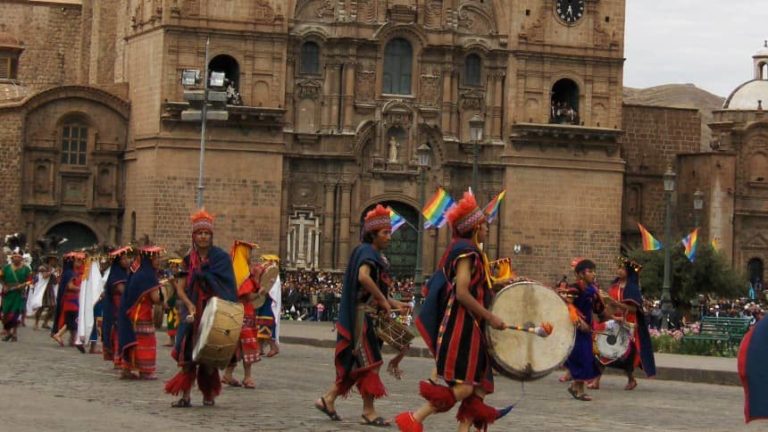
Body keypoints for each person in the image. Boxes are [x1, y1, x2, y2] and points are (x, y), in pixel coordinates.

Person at [396, 191, 509, 432]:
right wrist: (491, 317)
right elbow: (462, 292)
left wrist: (499, 284)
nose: (488, 228)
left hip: (473, 328)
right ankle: (414, 418)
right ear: (475, 227)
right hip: (462, 327)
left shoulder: (465, 249)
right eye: (484, 224)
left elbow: (473, 286)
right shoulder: (466, 251)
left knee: (478, 389)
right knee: (466, 387)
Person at [315, 204, 408, 426]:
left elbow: (374, 290)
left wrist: (395, 303)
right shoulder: (366, 252)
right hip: (362, 318)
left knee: (357, 364)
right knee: (370, 363)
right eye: (385, 233)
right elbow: (363, 277)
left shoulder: (374, 254)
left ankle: (328, 399)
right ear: (372, 234)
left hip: (369, 315)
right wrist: (384, 300)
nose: (389, 237)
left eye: (389, 232)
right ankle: (368, 411)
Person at [164, 209, 237, 408]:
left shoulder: (221, 258)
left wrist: (206, 276)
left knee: (207, 357)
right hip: (192, 311)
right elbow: (180, 288)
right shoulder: (188, 260)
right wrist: (188, 305)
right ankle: (185, 395)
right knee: (188, 353)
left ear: (211, 235)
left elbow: (227, 286)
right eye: (199, 233)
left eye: (206, 233)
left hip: (213, 312)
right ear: (194, 236)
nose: (203, 236)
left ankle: (208, 394)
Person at [589, 257, 656, 390]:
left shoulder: (632, 288)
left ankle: (631, 379)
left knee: (625, 354)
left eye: (622, 269)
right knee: (603, 349)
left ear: (629, 272)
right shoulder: (614, 286)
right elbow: (610, 306)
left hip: (628, 325)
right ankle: (596, 380)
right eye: (618, 268)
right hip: (614, 323)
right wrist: (607, 313)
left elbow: (633, 309)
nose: (619, 271)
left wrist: (615, 303)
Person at [118, 245, 164, 380]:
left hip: (131, 314)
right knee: (146, 342)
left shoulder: (137, 273)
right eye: (156, 258)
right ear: (149, 260)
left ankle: (127, 369)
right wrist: (164, 295)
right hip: (142, 315)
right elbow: (155, 298)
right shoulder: (149, 275)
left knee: (132, 341)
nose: (158, 261)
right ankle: (145, 371)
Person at [222, 241, 262, 389]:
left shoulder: (231, 271)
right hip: (244, 313)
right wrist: (260, 292)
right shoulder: (243, 274)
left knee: (234, 346)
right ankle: (247, 376)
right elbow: (248, 296)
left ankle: (228, 374)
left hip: (232, 313)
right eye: (249, 253)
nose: (251, 256)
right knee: (247, 345)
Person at [563, 259, 604, 402]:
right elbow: (568, 306)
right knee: (581, 356)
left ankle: (576, 387)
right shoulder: (574, 288)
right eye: (590, 271)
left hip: (587, 328)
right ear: (580, 274)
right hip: (576, 328)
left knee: (587, 357)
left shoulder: (592, 289)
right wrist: (580, 322)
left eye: (594, 271)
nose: (593, 274)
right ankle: (577, 388)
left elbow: (598, 309)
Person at [102, 246, 132, 371]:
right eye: (124, 259)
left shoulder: (124, 273)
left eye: (127, 258)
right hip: (117, 308)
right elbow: (122, 290)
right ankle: (117, 359)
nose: (127, 261)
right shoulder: (117, 274)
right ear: (118, 262)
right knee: (118, 333)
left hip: (122, 306)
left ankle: (120, 358)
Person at [51, 252, 86, 347]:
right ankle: (58, 335)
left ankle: (72, 339)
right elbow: (70, 286)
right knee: (72, 320)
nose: (80, 263)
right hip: (71, 300)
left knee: (72, 320)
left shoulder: (68, 272)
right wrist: (82, 289)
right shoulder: (70, 273)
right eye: (77, 261)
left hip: (71, 300)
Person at [1, 249, 33, 342]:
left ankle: (14, 334)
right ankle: (8, 333)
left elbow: (31, 280)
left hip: (18, 294)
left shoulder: (26, 269)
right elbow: (1, 278)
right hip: (7, 294)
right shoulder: (6, 268)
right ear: (12, 258)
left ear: (21, 258)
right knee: (5, 314)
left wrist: (22, 285)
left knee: (14, 314)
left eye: (18, 257)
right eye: (14, 257)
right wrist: (5, 286)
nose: (16, 259)